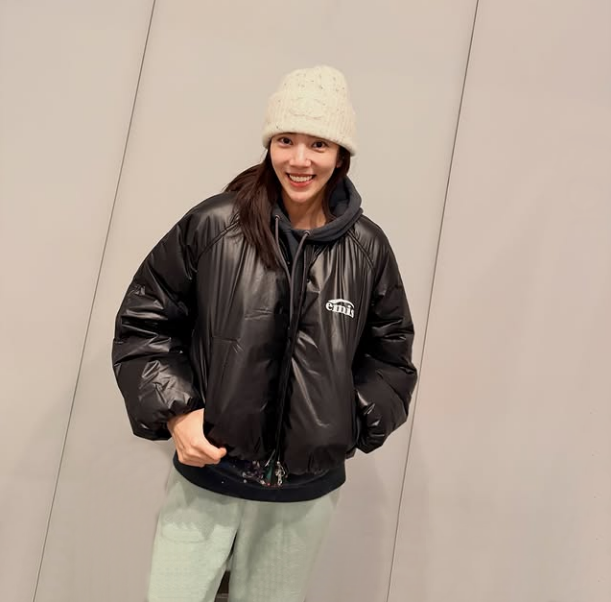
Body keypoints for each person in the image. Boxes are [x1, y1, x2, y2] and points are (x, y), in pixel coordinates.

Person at [112, 65, 418, 602]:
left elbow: (391, 358)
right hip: (207, 480)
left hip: (301, 500)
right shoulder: (216, 226)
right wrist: (177, 412)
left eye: (318, 144)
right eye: (285, 140)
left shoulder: (367, 250)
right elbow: (145, 322)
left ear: (340, 154)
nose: (299, 160)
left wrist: (346, 423)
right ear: (269, 144)